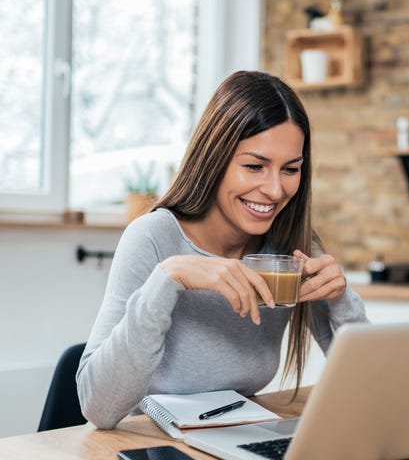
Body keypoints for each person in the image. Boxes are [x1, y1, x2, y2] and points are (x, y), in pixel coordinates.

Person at [76, 70, 368, 429]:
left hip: (238, 437)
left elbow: (375, 392)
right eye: (254, 166)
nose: (275, 190)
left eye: (290, 169)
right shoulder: (152, 238)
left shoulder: (292, 251)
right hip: (153, 446)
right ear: (214, 158)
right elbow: (97, 408)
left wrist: (342, 300)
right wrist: (169, 278)